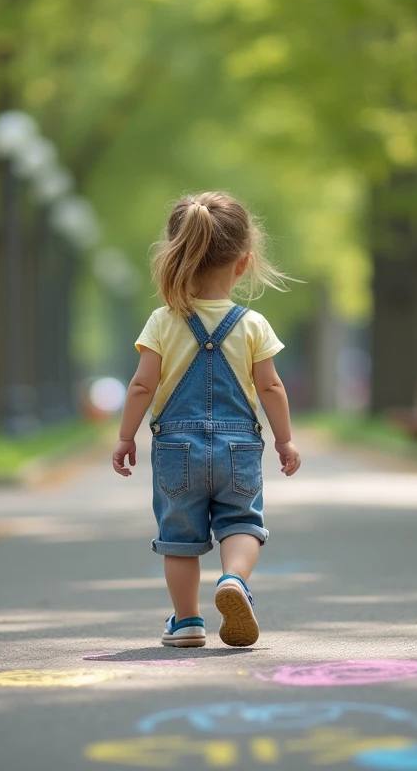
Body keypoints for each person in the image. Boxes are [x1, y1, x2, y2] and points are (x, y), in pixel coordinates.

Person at [112, 191, 302, 649]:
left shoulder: (162, 321)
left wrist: (125, 436)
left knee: (179, 537)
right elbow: (272, 387)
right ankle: (233, 580)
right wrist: (285, 441)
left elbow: (142, 385)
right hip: (239, 448)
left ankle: (187, 621)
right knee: (241, 522)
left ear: (178, 259)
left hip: (176, 448)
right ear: (243, 264)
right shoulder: (253, 324)